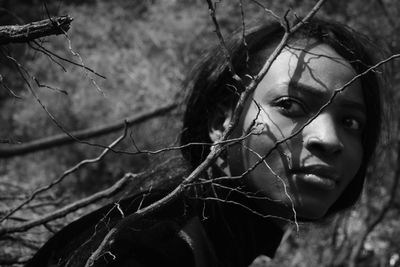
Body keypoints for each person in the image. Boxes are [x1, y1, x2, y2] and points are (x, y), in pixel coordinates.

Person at [27, 17, 382, 267]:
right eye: (290, 106)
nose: (330, 139)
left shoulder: (221, 240)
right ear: (222, 121)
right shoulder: (151, 249)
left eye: (351, 122)